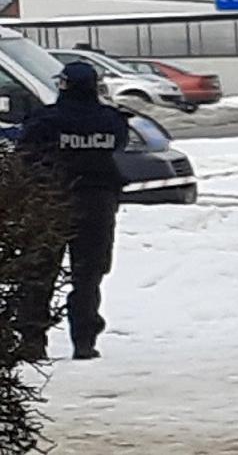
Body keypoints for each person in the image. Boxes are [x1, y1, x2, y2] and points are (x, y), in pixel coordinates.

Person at [18, 61, 130, 361]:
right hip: (97, 204)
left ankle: (32, 340)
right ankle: (84, 341)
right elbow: (120, 144)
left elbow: (25, 153)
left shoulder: (45, 121)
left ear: (64, 85)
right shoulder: (111, 120)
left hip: (49, 203)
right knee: (88, 275)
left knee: (39, 273)